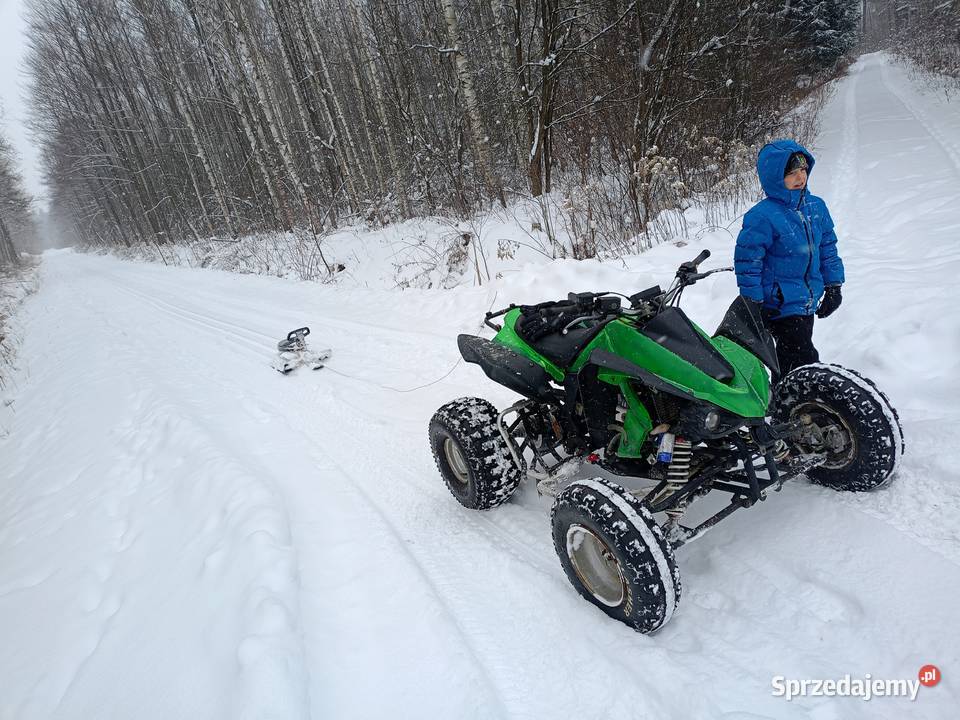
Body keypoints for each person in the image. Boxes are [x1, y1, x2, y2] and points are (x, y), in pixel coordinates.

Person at [734, 139, 845, 377]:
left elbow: (828, 247)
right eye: (792, 173)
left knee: (790, 359)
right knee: (802, 360)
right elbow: (748, 262)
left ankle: (786, 400)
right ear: (774, 176)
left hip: (806, 300)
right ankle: (797, 404)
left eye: (803, 170)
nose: (800, 177)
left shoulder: (816, 207)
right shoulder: (762, 216)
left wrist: (833, 285)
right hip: (779, 304)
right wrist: (753, 302)